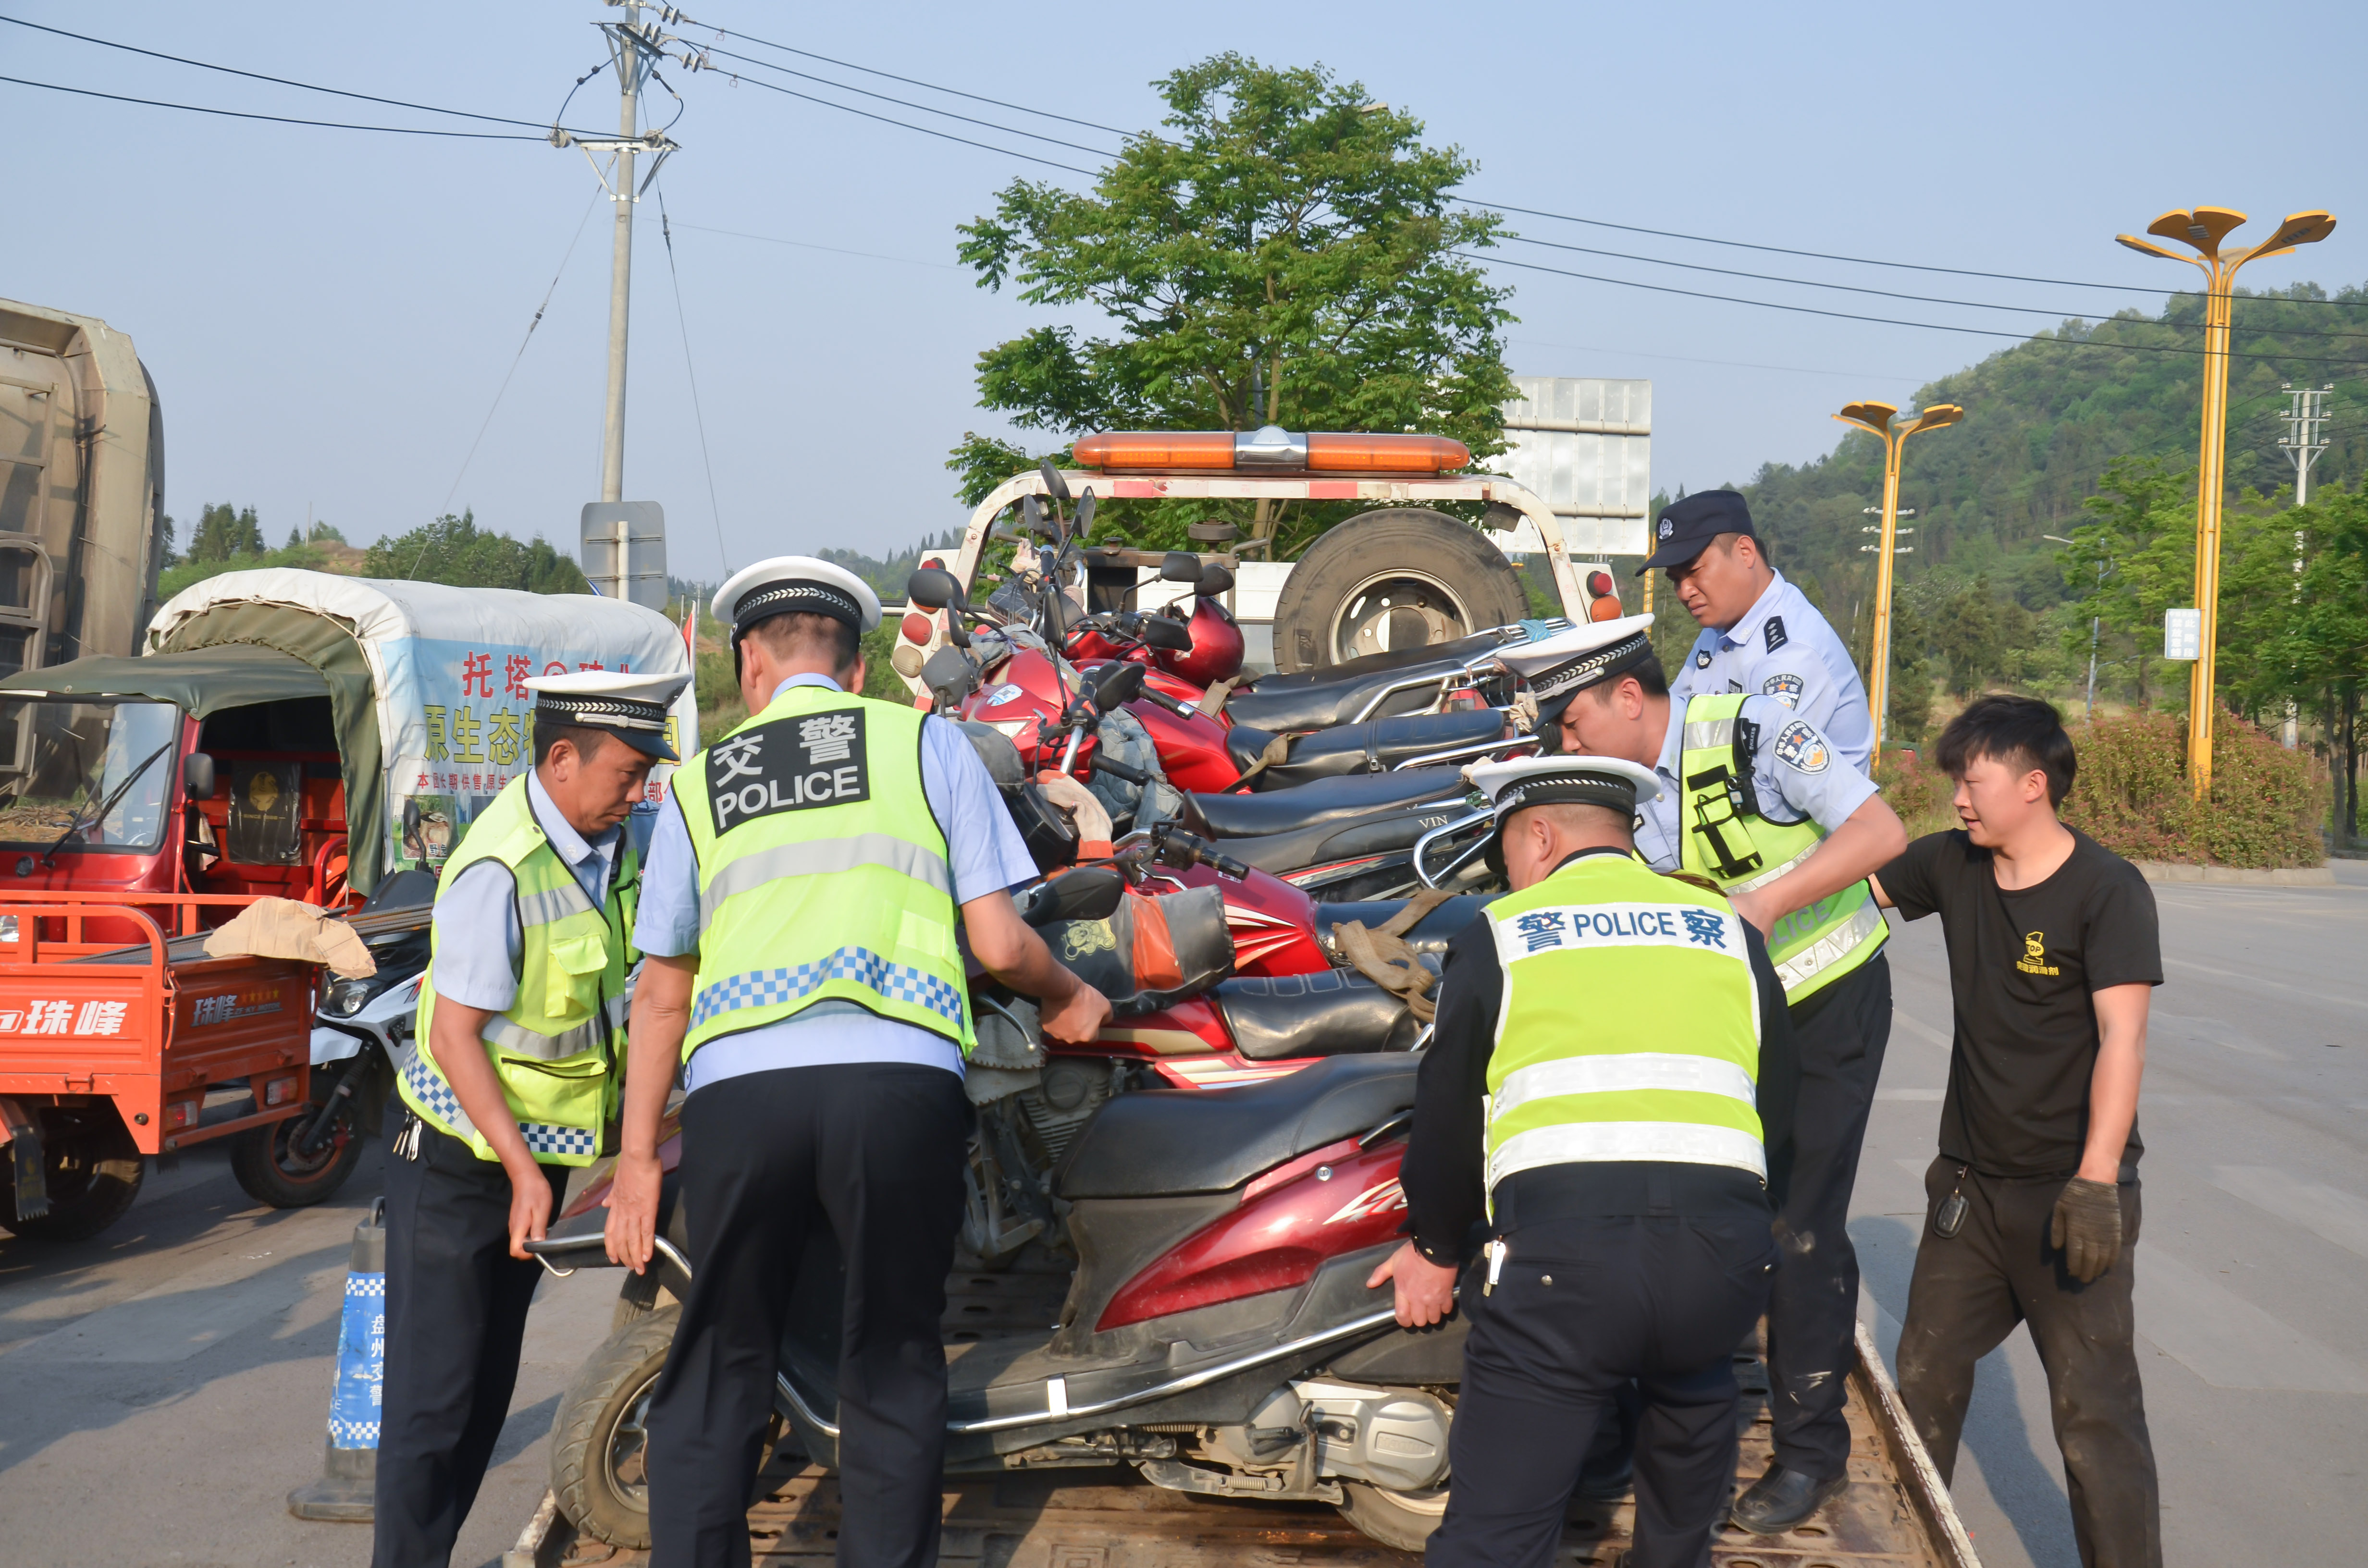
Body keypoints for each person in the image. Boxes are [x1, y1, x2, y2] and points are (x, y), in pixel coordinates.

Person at [603, 556, 1113, 1568]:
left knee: (719, 1367)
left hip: (739, 1100)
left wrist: (633, 1161)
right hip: (896, 1091)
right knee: (888, 1361)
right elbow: (1002, 944)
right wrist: (1073, 995)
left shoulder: (700, 786)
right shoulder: (925, 743)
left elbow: (661, 991)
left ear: (750, 662)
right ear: (861, 665)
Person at [1502, 614, 1906, 1533]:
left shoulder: (1760, 728)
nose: (1563, 745)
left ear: (1629, 697)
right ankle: (1618, 1431)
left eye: (1571, 724)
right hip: (1729, 1015)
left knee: (1796, 1226)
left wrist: (1765, 901)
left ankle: (1810, 1453)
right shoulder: (1617, 795)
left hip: (1826, 998)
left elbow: (1880, 830)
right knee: (1678, 1207)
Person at [1373, 754, 1798, 1568]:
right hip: (1719, 1257)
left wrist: (1431, 1245)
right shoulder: (1729, 933)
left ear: (1538, 833)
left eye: (1504, 849)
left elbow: (1449, 1116)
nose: (1506, 871)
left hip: (1563, 1272)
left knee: (1493, 1537)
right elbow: (1775, 1108)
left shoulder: (1500, 933)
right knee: (1690, 1390)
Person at [376, 669, 688, 1568]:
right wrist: (521, 1167)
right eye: (626, 774)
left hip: (528, 1166)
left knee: (480, 1396)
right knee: (432, 1404)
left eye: (643, 777)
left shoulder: (611, 849)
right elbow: (455, 1031)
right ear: (561, 757)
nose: (637, 794)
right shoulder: (499, 864)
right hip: (457, 1163)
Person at [1870, 695, 2162, 1568]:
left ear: (2032, 785)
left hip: (2068, 1193)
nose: (1958, 795)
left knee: (2092, 1413)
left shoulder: (2104, 889)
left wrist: (2096, 1178)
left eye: (1973, 778)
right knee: (1918, 1386)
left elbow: (2123, 1038)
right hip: (1968, 1188)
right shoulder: (1952, 865)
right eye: (1957, 777)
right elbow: (1854, 888)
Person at [1644, 490, 1874, 777]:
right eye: (1676, 581)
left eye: (1694, 572)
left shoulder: (1793, 650)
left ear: (1745, 552)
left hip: (1801, 817)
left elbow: (1765, 773)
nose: (1685, 591)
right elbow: (1670, 724)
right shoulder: (1721, 627)